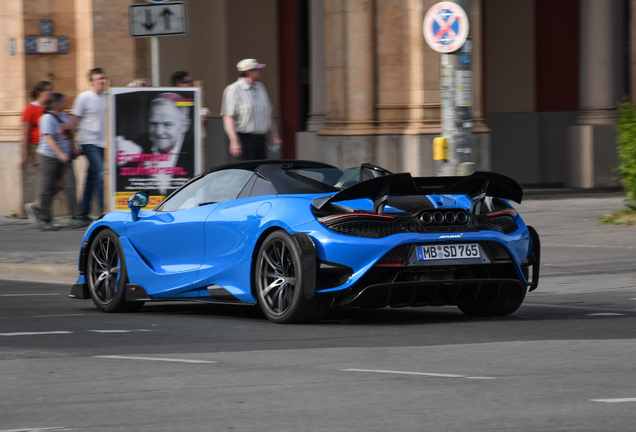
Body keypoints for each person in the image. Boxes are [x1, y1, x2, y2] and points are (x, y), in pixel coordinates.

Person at [116, 92, 194, 196]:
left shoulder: (195, 151)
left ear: (185, 126)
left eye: (167, 125)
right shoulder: (136, 145)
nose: (158, 132)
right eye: (153, 124)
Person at [35, 93, 85, 230]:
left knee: (70, 184)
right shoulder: (47, 118)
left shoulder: (63, 116)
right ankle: (44, 218)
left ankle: (75, 216)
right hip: (48, 156)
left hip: (65, 156)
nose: (66, 103)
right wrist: (60, 154)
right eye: (63, 102)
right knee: (48, 185)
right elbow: (49, 138)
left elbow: (70, 132)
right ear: (57, 104)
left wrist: (73, 148)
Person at [221, 58, 282, 160]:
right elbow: (228, 117)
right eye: (257, 69)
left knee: (261, 170)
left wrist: (275, 136)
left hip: (261, 138)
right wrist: (234, 141)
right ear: (249, 72)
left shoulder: (260, 87)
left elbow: (268, 113)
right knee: (247, 171)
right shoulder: (233, 89)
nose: (260, 71)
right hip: (245, 139)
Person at [70, 68, 107, 222]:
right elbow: (73, 121)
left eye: (103, 78)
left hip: (103, 142)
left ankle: (83, 213)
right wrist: (73, 143)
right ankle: (103, 212)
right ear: (92, 82)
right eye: (99, 79)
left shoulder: (108, 97)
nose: (102, 81)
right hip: (88, 141)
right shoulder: (83, 98)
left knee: (91, 177)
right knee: (100, 175)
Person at [21, 81, 53, 224]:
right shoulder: (30, 109)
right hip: (35, 147)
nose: (50, 93)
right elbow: (25, 134)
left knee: (54, 183)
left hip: (48, 147)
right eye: (48, 90)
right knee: (46, 181)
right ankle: (41, 210)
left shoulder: (49, 108)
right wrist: (24, 155)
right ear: (40, 92)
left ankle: (37, 206)